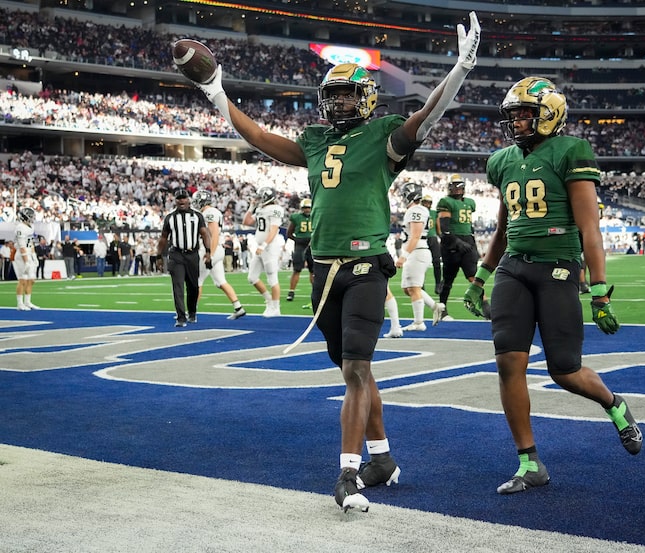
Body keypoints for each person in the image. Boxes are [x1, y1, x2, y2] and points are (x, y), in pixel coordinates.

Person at [187, 10, 479, 512]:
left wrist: (458, 72)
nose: (340, 102)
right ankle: (383, 458)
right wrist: (216, 91)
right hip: (324, 271)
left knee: (356, 367)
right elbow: (258, 137)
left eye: (349, 94)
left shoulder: (384, 135)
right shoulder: (317, 141)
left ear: (365, 98)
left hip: (365, 267)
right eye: (334, 95)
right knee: (354, 374)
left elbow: (426, 115)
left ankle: (347, 470)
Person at [461, 77, 641, 495]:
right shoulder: (502, 160)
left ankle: (615, 405)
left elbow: (589, 227)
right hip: (512, 269)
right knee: (508, 363)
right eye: (514, 114)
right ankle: (529, 462)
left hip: (558, 266)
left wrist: (599, 289)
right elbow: (506, 227)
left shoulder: (571, 150)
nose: (519, 121)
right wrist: (480, 277)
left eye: (527, 112)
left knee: (565, 370)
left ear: (550, 114)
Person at [156, 187, 212, 327]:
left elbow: (205, 234)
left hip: (192, 254)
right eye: (179, 198)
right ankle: (181, 317)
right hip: (176, 255)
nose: (181, 201)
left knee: (193, 286)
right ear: (175, 201)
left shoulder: (197, 216)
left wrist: (208, 252)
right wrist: (158, 256)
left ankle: (192, 312)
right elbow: (163, 238)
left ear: (188, 200)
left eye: (184, 198)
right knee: (178, 286)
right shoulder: (170, 218)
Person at [395, 181, 446, 330]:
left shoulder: (416, 210)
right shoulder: (418, 209)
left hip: (417, 251)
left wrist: (403, 256)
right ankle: (435, 306)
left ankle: (419, 322)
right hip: (417, 250)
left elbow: (415, 236)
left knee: (413, 287)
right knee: (408, 288)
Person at [191, 189, 247, 320]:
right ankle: (239, 308)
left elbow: (214, 233)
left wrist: (210, 252)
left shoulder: (210, 212)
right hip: (215, 249)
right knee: (220, 281)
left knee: (196, 281)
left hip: (209, 249)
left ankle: (192, 312)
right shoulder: (208, 212)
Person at [436, 173, 480, 321]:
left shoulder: (470, 202)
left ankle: (485, 306)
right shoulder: (446, 202)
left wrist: (472, 242)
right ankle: (442, 309)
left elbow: (469, 225)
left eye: (459, 187)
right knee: (448, 279)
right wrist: (456, 242)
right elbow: (444, 228)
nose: (457, 190)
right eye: (454, 187)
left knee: (474, 276)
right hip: (451, 244)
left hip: (467, 241)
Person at [242, 186, 285, 318]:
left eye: (261, 197)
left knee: (272, 278)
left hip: (270, 247)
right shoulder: (261, 209)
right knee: (252, 277)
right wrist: (251, 207)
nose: (259, 199)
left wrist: (265, 244)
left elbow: (273, 229)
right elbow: (246, 222)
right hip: (261, 246)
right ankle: (269, 301)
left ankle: (276, 308)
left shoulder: (276, 209)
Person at [285, 197, 314, 302]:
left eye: (308, 208)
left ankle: (315, 292)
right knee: (297, 269)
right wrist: (297, 240)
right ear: (302, 208)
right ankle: (291, 291)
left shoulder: (315, 216)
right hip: (300, 245)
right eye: (305, 208)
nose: (307, 210)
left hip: (312, 246)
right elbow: (289, 233)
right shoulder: (296, 217)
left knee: (313, 271)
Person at [13, 207, 39, 310]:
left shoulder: (30, 227)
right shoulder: (20, 227)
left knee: (31, 280)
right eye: (31, 216)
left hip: (29, 253)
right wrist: (26, 260)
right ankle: (20, 304)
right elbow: (22, 245)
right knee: (22, 280)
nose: (32, 218)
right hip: (21, 255)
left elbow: (30, 242)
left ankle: (27, 302)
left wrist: (33, 255)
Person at [421, 193, 443, 294]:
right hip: (422, 239)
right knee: (421, 264)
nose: (426, 204)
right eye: (425, 202)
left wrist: (442, 237)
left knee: (436, 262)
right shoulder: (419, 212)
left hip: (432, 238)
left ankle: (438, 284)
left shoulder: (434, 213)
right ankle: (421, 284)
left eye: (428, 203)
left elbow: (438, 227)